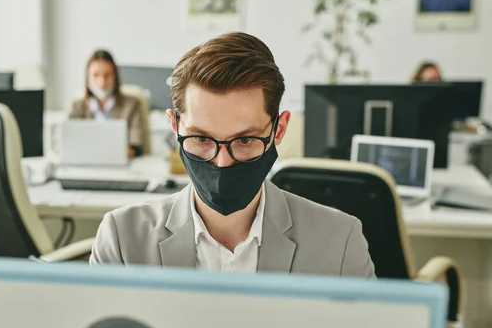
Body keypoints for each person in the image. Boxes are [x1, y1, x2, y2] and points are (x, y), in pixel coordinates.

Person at [90, 32, 375, 278]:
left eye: (245, 139)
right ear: (175, 127)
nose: (222, 161)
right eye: (201, 138)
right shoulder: (122, 240)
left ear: (279, 130)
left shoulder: (340, 241)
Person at [69, 50, 144, 157]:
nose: (102, 82)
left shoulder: (132, 104)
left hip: (122, 167)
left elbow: (136, 146)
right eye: (96, 75)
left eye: (107, 75)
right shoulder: (76, 107)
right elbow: (69, 143)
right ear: (87, 77)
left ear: (115, 76)